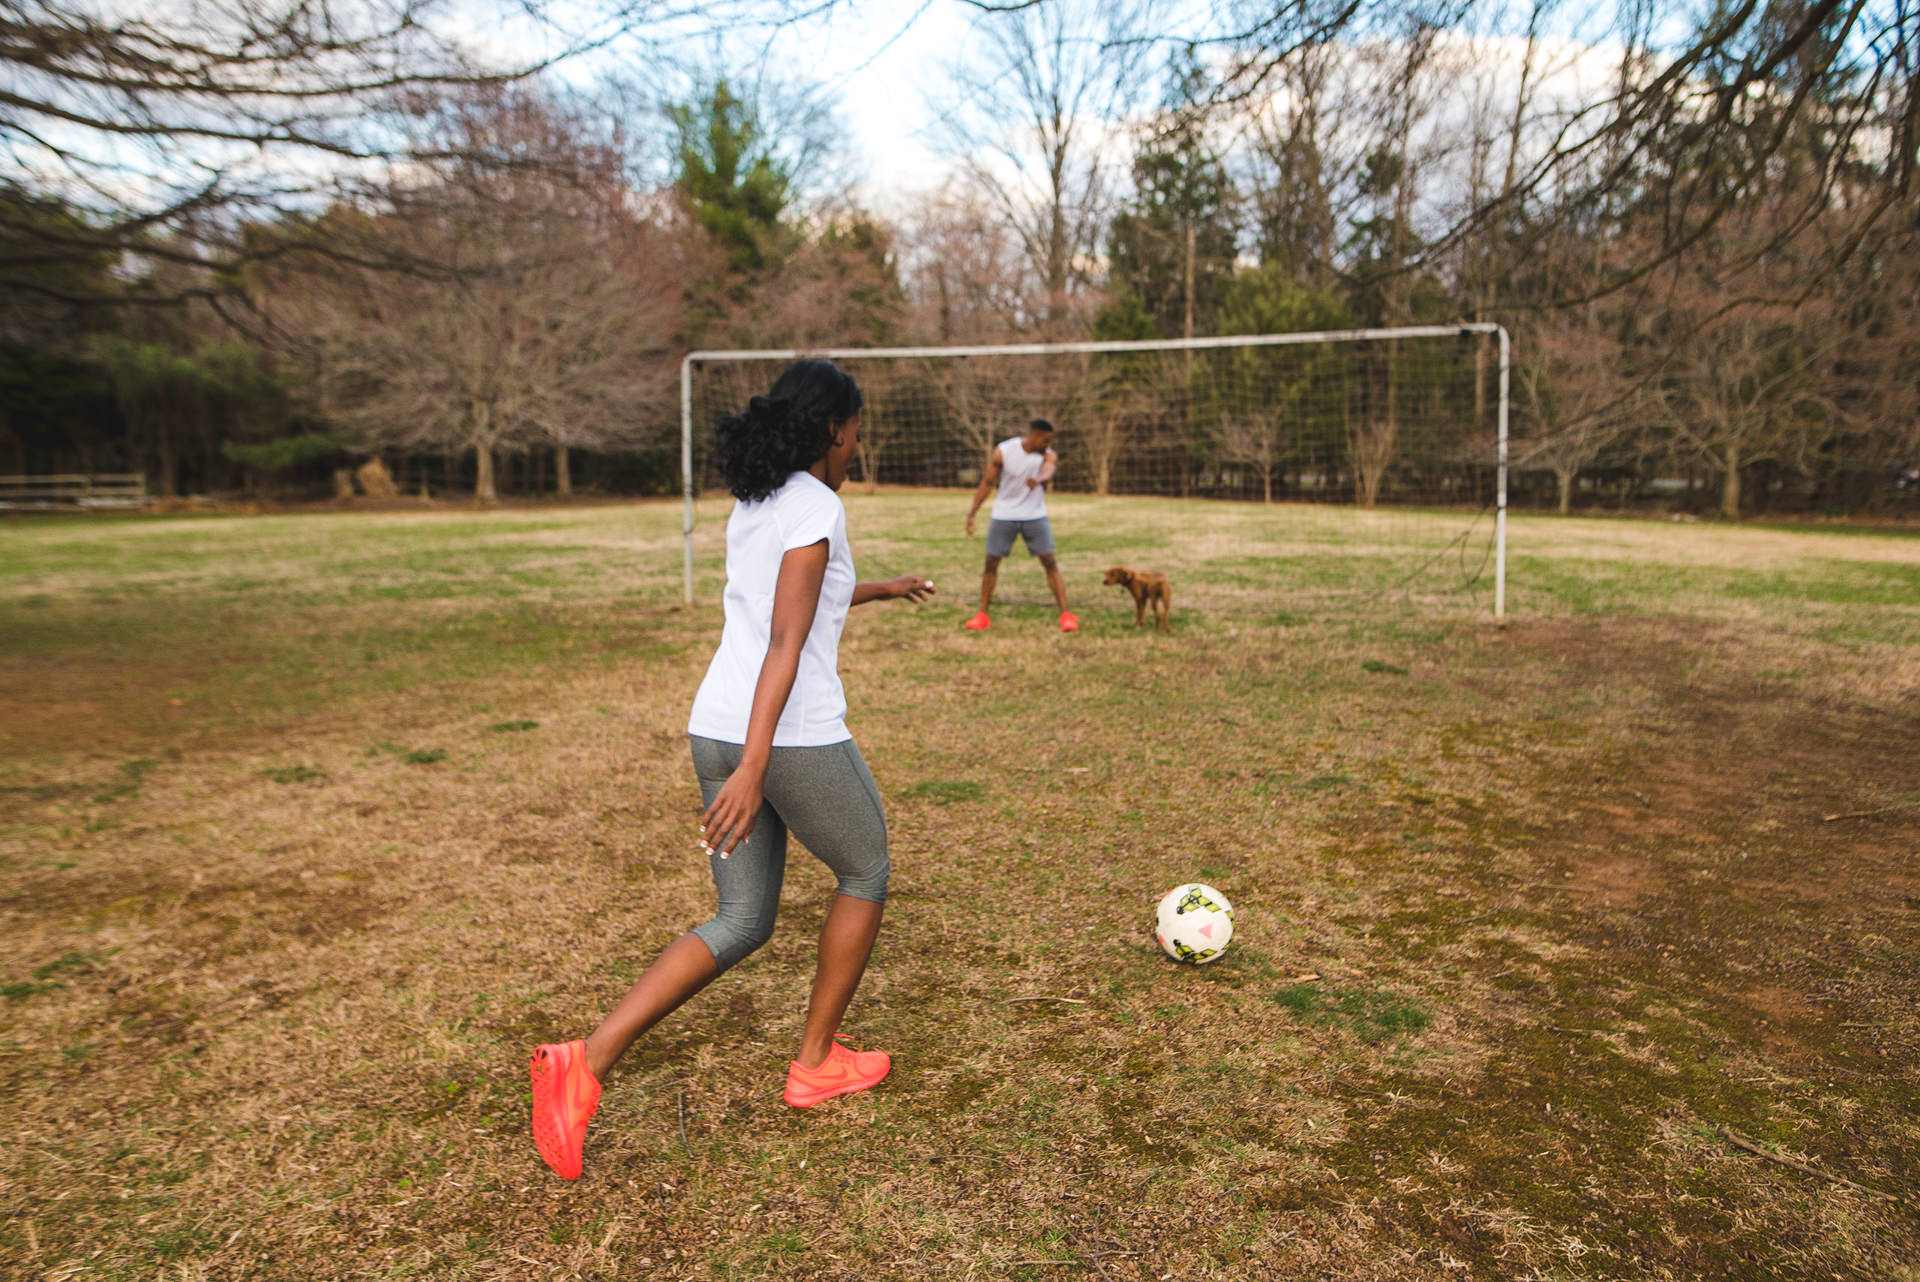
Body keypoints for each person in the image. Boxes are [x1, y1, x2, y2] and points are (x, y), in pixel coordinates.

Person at [528, 359, 935, 1182]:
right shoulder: (818, 504)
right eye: (856, 429)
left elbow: (787, 602)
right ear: (832, 428)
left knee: (745, 918)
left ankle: (585, 1059)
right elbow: (786, 639)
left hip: (711, 723)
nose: (859, 444)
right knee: (866, 868)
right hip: (780, 737)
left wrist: (882, 589)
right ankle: (816, 1062)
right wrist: (756, 768)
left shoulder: (758, 500)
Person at [962, 418, 1077, 632]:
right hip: (1004, 515)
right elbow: (987, 483)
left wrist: (1040, 479)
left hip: (1035, 515)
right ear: (1033, 435)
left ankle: (1066, 615)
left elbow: (1049, 468)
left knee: (1049, 562)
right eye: (1045, 440)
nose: (1048, 444)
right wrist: (972, 513)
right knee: (991, 564)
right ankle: (982, 615)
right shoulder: (1004, 451)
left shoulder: (1047, 454)